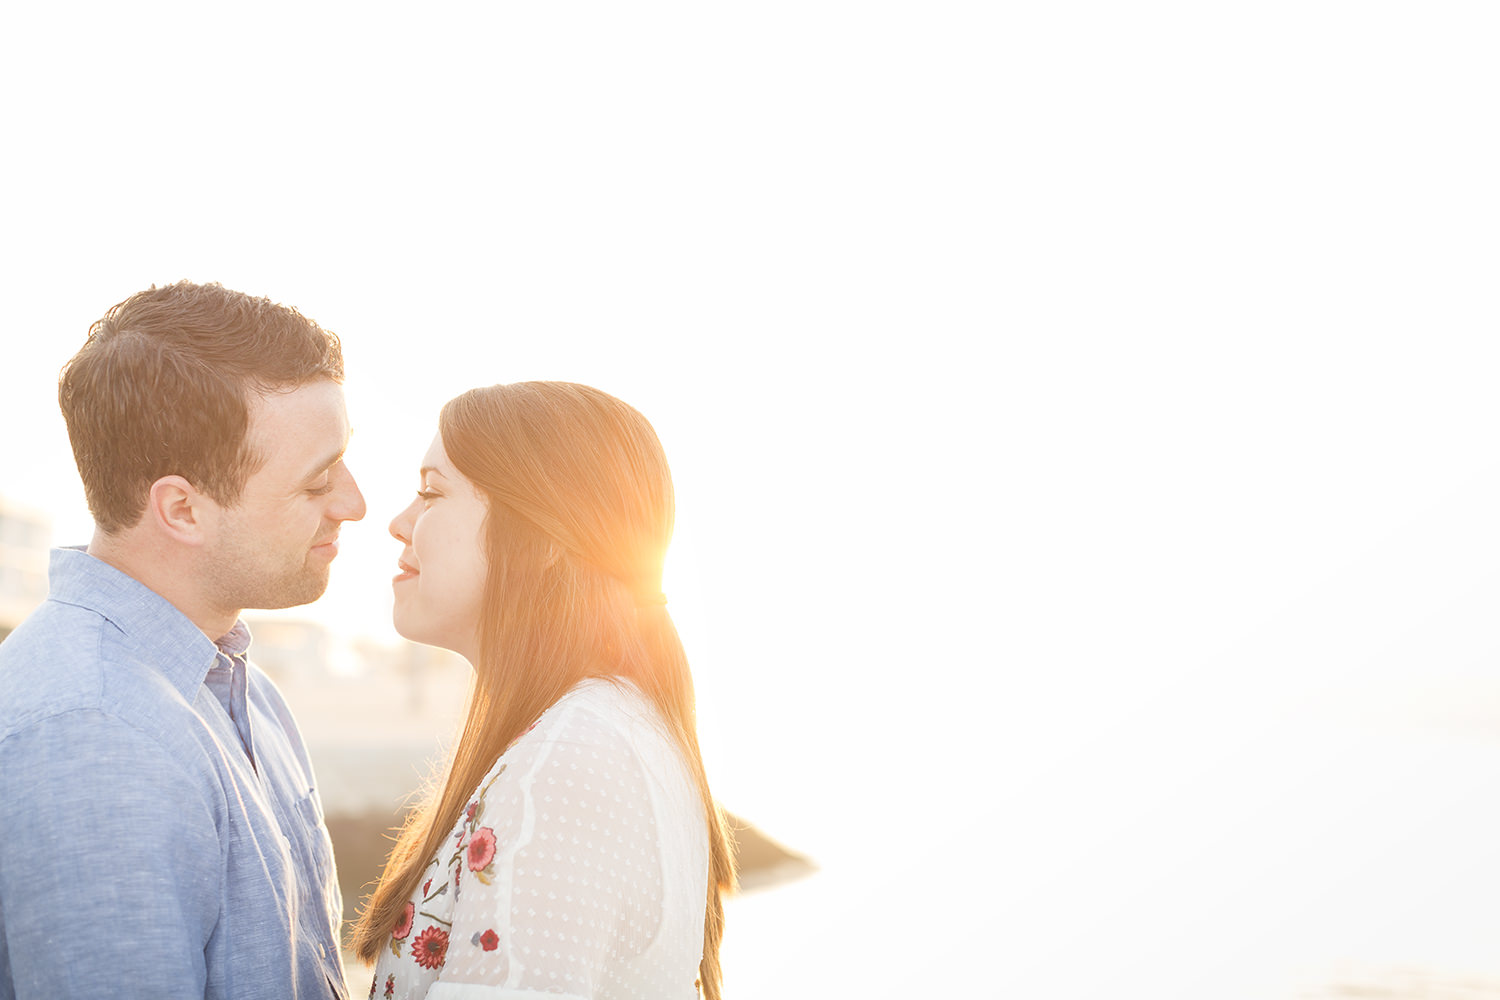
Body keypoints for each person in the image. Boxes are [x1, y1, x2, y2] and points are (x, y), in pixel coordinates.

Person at [0, 281, 365, 999]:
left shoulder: (242, 690)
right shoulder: (94, 732)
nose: (354, 503)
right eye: (317, 481)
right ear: (181, 509)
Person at [348, 382, 736, 1000]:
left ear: (549, 539)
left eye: (431, 492)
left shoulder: (573, 756)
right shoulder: (602, 728)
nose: (398, 523)